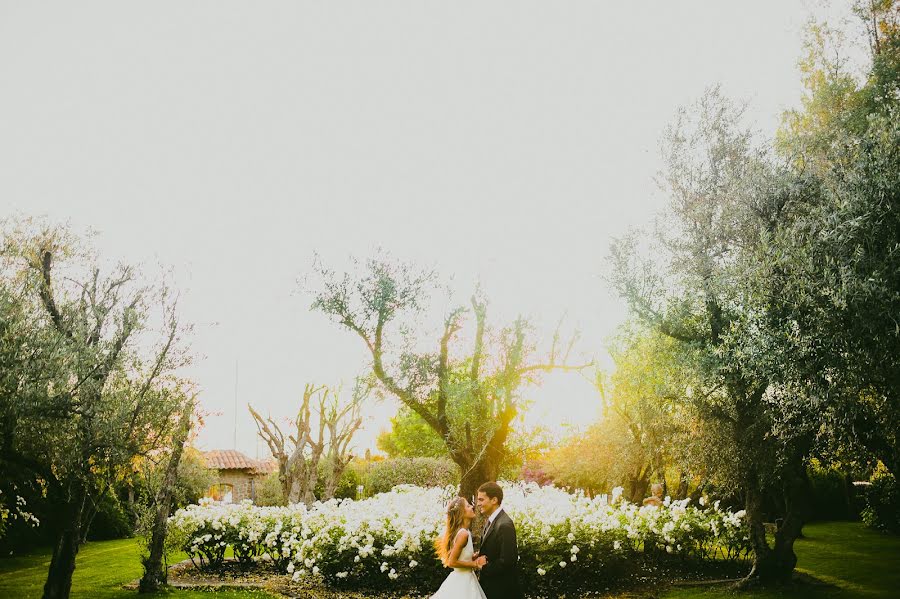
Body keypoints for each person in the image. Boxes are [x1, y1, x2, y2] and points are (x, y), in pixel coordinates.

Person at [431, 496, 487, 599]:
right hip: (463, 581)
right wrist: (475, 564)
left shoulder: (465, 532)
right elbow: (452, 562)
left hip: (466, 577)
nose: (472, 507)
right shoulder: (463, 534)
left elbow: (461, 557)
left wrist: (474, 556)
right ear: (462, 512)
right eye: (468, 506)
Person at [474, 481, 523, 599]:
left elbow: (508, 561)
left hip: (502, 591)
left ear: (494, 500)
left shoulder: (504, 524)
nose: (478, 504)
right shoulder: (491, 521)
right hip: (492, 588)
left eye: (481, 500)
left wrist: (483, 567)